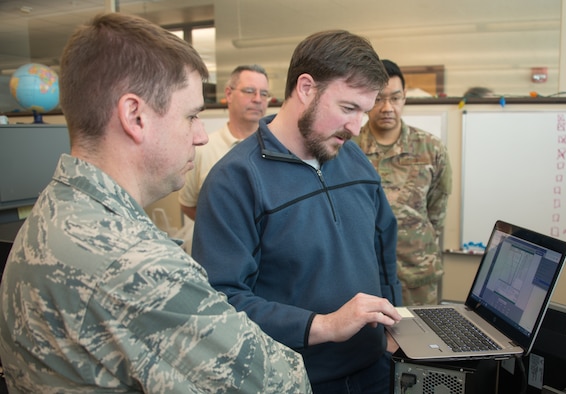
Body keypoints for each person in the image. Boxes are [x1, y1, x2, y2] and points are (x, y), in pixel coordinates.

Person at [0, 13, 310, 393]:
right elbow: (280, 383)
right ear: (135, 116)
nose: (200, 136)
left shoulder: (57, 206)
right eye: (192, 115)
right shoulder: (133, 263)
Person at [193, 30, 403, 393]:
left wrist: (394, 326)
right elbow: (221, 301)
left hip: (375, 370)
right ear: (306, 88)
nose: (356, 127)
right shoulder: (236, 179)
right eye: (348, 108)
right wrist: (322, 325)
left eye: (363, 112)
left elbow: (383, 246)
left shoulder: (352, 158)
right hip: (292, 379)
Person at [353, 60, 452, 306]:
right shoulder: (347, 148)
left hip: (417, 275)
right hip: (363, 276)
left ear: (404, 98)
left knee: (423, 341)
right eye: (378, 98)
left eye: (395, 98)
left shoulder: (431, 148)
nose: (387, 107)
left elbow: (436, 211)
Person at [179, 64, 270, 221]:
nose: (257, 99)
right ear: (228, 94)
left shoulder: (277, 150)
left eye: (264, 94)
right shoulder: (202, 149)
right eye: (249, 91)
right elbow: (187, 204)